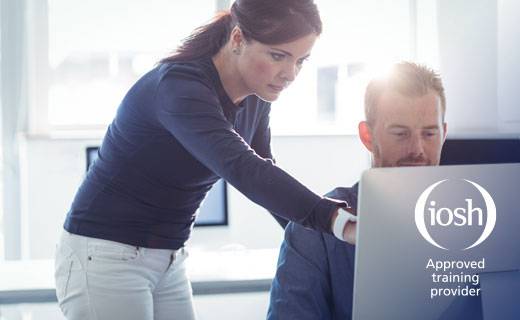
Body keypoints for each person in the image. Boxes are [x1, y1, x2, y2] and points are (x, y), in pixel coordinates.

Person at [54, 1, 354, 319]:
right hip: (104, 254)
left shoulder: (256, 96)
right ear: (237, 39)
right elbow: (243, 168)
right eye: (278, 56)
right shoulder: (179, 87)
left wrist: (321, 242)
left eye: (301, 61)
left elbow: (266, 168)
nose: (290, 74)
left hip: (169, 257)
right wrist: (336, 221)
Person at [268, 62, 453, 319]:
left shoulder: (477, 221)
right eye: (400, 134)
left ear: (443, 134)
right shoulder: (314, 232)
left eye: (430, 134)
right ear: (368, 136)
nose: (418, 150)